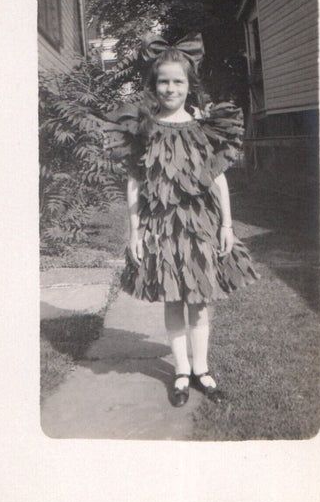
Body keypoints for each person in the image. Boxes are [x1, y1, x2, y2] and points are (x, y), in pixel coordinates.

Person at [103, 33, 259, 407]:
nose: (170, 88)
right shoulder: (144, 128)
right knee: (173, 300)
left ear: (190, 85)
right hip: (161, 227)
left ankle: (202, 370)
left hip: (200, 225)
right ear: (153, 85)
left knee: (200, 300)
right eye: (163, 81)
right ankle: (180, 372)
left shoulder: (203, 127)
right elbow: (135, 183)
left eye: (178, 81)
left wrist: (226, 226)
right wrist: (135, 230)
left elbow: (218, 178)